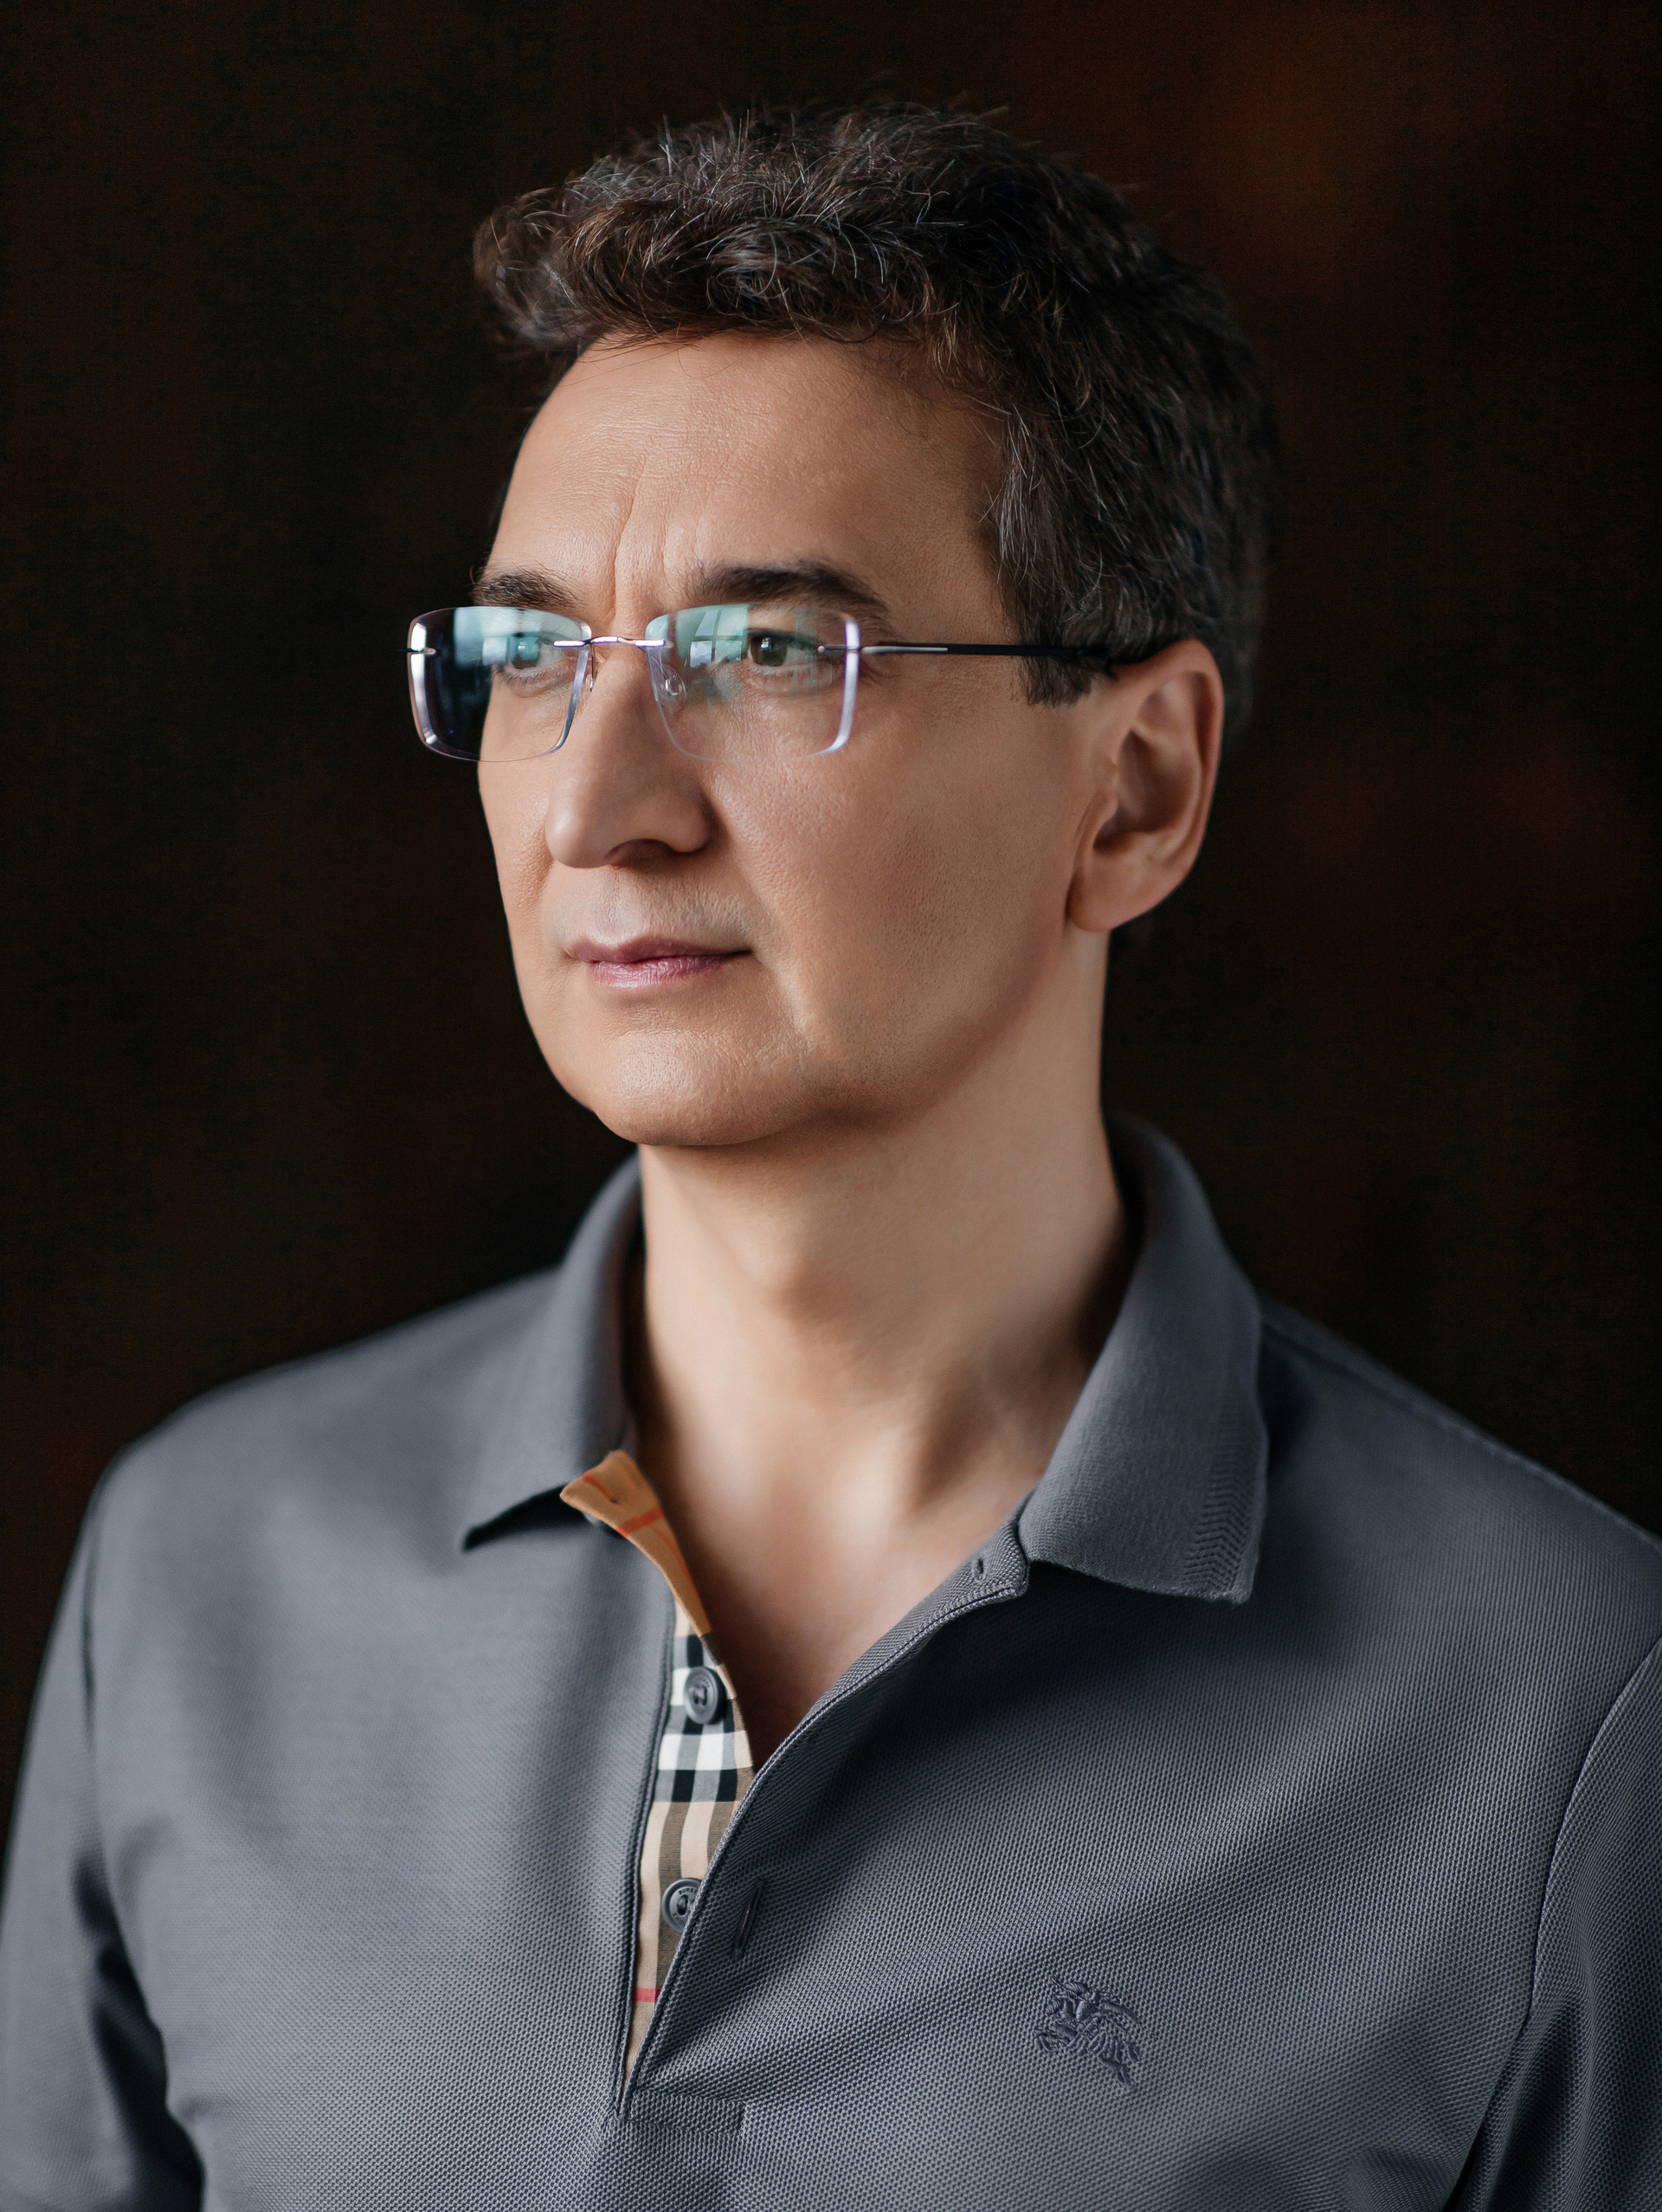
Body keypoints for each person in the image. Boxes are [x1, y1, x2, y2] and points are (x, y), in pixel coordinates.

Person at [2, 104, 1658, 2212]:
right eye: (529, 655)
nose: (598, 808)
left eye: (772, 652)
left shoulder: (1568, 1722)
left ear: (1139, 791)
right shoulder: (200, 1577)